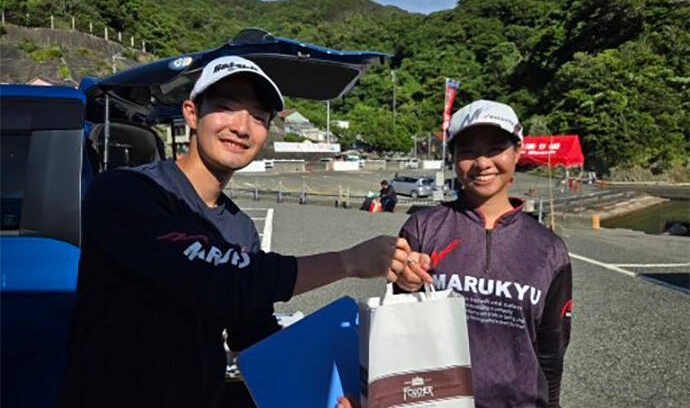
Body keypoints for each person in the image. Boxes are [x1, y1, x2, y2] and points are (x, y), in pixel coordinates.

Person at [58, 56, 432, 408]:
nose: (241, 127)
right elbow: (208, 278)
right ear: (192, 113)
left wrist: (340, 383)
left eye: (257, 116)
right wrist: (348, 262)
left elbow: (252, 333)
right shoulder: (126, 192)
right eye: (225, 107)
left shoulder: (239, 227)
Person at [394, 100, 572, 407]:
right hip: (437, 400)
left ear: (517, 152)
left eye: (495, 149)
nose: (482, 163)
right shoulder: (422, 227)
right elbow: (397, 326)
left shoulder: (550, 249)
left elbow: (551, 351)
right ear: (453, 158)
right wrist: (403, 284)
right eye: (467, 151)